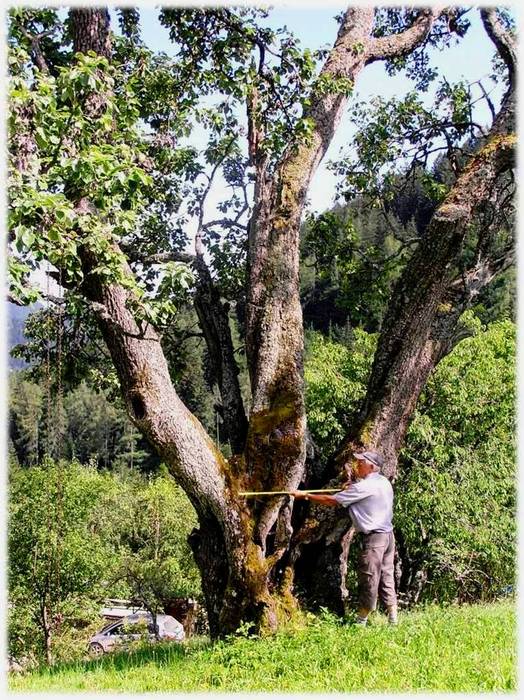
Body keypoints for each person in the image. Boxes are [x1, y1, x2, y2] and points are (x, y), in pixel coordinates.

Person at [292, 449, 398, 626]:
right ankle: (393, 619)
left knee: (369, 577)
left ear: (372, 467)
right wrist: (351, 487)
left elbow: (331, 501)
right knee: (387, 575)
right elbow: (361, 492)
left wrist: (305, 495)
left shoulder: (364, 487)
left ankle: (361, 621)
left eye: (361, 462)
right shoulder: (383, 482)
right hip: (387, 537)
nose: (358, 465)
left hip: (374, 539)